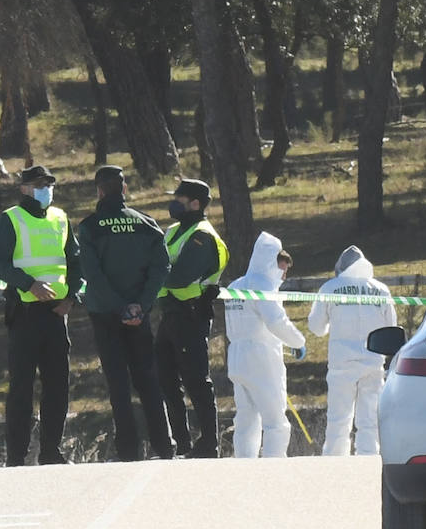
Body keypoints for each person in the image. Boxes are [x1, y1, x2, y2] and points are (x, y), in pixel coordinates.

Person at [0, 165, 83, 466]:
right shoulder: (10, 219)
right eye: (40, 184)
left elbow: (75, 261)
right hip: (25, 314)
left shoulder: (60, 218)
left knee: (57, 386)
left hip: (55, 314)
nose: (46, 189)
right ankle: (16, 457)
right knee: (21, 389)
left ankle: (51, 452)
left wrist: (71, 297)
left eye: (49, 184)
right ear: (24, 188)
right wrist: (29, 284)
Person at [78, 165, 175, 461]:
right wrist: (141, 305)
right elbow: (162, 267)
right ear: (124, 189)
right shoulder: (145, 223)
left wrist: (120, 306)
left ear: (99, 190)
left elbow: (92, 274)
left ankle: (129, 450)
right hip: (138, 314)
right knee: (148, 378)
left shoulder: (91, 226)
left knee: (118, 382)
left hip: (106, 314)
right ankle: (164, 445)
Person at [156, 179, 229, 458]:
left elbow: (179, 276)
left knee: (196, 379)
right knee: (165, 378)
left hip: (190, 313)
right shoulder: (174, 231)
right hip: (170, 314)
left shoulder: (202, 236)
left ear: (196, 204)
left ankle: (209, 443)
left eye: (180, 199)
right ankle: (181, 442)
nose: (174, 203)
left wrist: (151, 276)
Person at [308, 246, 397, 456]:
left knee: (339, 418)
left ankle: (335, 462)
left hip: (342, 364)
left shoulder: (330, 288)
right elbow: (391, 327)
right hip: (373, 363)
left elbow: (316, 327)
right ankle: (367, 461)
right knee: (370, 420)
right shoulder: (381, 289)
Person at [225, 232, 305, 458]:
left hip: (237, 357)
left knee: (246, 419)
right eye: (282, 268)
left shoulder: (236, 284)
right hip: (261, 358)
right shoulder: (262, 285)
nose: (283, 275)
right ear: (271, 263)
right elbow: (276, 321)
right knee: (275, 421)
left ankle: (245, 465)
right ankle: (274, 467)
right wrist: (297, 341)